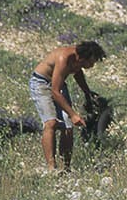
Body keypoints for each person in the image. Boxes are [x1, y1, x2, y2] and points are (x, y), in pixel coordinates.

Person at [30, 40, 106, 171]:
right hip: (41, 83)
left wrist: (87, 92)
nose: (92, 65)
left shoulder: (78, 60)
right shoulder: (64, 58)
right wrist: (73, 114)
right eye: (92, 62)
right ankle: (51, 167)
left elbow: (77, 72)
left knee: (68, 127)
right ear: (82, 58)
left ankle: (66, 168)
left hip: (58, 85)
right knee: (51, 123)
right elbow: (55, 91)